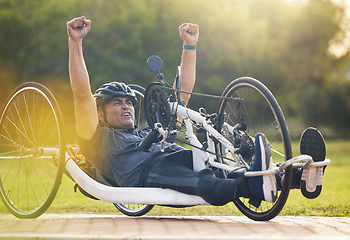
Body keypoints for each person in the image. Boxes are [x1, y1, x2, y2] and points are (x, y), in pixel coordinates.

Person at [66, 16, 326, 206]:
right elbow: (81, 95)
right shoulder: (97, 139)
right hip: (150, 172)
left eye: (129, 102)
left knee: (222, 168)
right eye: (117, 103)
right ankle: (256, 184)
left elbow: (182, 97)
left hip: (179, 156)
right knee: (205, 181)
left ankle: (298, 176)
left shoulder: (149, 131)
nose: (127, 106)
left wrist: (190, 47)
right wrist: (75, 42)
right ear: (100, 113)